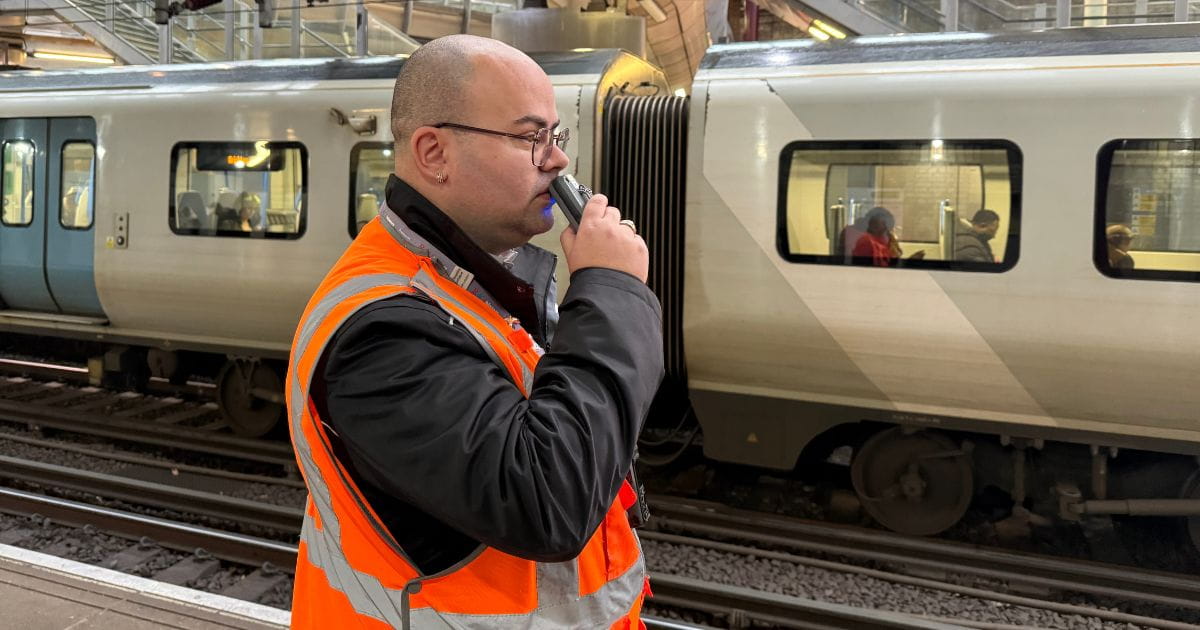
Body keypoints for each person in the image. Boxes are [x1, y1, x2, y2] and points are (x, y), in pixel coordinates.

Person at [285, 35, 663, 629]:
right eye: (529, 136)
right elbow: (548, 500)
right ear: (434, 153)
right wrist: (613, 293)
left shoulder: (473, 286)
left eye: (556, 136)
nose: (557, 160)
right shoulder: (382, 332)